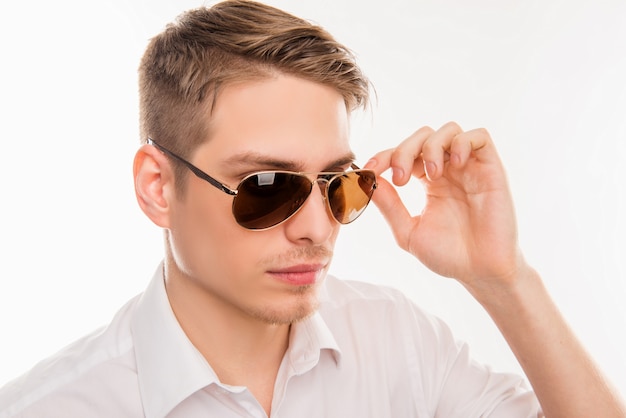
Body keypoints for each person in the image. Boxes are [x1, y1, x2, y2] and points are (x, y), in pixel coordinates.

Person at [1, 1, 625, 417]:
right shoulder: (56, 407)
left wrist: (506, 280)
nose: (316, 228)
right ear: (159, 188)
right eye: (267, 186)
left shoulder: (395, 340)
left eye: (335, 182)